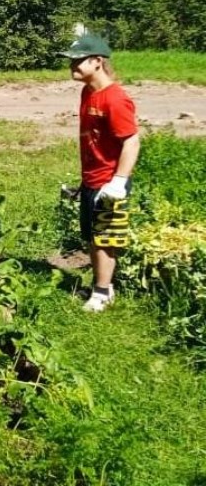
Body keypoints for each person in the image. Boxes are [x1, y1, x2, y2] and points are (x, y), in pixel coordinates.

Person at [59, 33, 140, 312]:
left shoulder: (115, 99)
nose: (72, 67)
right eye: (71, 62)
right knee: (93, 235)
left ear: (97, 62)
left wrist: (118, 182)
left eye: (78, 61)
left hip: (110, 180)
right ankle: (103, 284)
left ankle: (102, 292)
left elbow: (131, 141)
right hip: (93, 177)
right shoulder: (88, 92)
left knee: (104, 238)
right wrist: (82, 184)